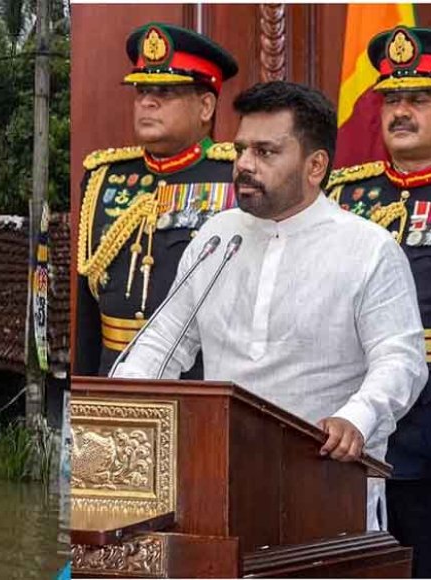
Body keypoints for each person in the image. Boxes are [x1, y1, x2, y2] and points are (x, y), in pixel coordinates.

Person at [113, 81, 428, 531]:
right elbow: (164, 341)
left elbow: (401, 361)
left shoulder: (368, 249)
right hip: (215, 484)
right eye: (241, 149)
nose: (243, 165)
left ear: (315, 165)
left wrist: (355, 418)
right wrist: (121, 401)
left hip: (327, 486)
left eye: (265, 152)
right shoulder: (216, 238)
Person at [75, 22, 239, 377]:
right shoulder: (104, 176)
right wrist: (84, 389)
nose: (147, 102)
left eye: (165, 91)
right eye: (142, 91)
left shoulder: (235, 177)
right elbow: (87, 309)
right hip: (114, 376)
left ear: (206, 106)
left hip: (198, 380)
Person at [325, 25, 431, 576]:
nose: (400, 111)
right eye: (392, 98)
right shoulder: (345, 195)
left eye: (418, 98)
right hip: (355, 413)